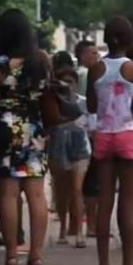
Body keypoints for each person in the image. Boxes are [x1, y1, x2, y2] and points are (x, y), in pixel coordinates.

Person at [0, 9, 51, 265]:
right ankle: (35, 257)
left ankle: (12, 258)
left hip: (4, 128)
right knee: (36, 195)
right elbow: (46, 95)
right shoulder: (40, 61)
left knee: (7, 196)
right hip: (33, 129)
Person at [87, 16, 133, 265]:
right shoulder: (132, 68)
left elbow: (91, 105)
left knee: (104, 202)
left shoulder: (96, 69)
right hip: (128, 134)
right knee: (128, 203)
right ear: (129, 39)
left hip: (103, 135)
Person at [46, 66, 92, 249]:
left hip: (80, 149)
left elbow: (90, 124)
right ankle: (63, 229)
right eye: (63, 82)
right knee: (61, 191)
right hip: (57, 149)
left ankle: (79, 232)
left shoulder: (83, 102)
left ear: (76, 84)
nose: (67, 86)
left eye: (70, 82)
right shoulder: (51, 103)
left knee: (77, 189)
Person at [74, 40, 100, 238]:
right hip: (89, 132)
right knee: (91, 180)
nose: (96, 56)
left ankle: (77, 226)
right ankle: (91, 225)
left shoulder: (83, 74)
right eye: (93, 53)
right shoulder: (86, 74)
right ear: (82, 56)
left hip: (81, 131)